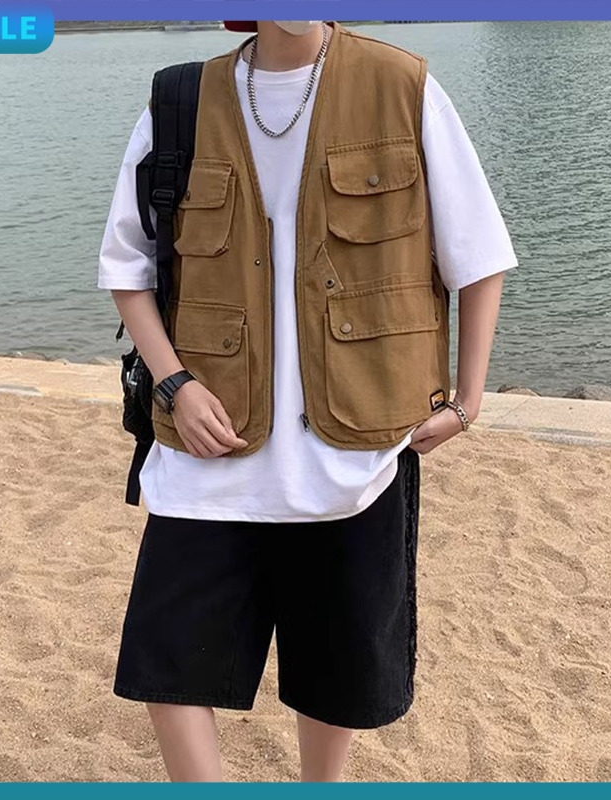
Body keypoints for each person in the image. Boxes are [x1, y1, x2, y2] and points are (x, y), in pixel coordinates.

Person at [97, 20, 517, 782]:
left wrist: (469, 398)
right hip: (208, 455)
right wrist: (174, 384)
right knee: (167, 659)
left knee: (336, 674)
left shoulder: (404, 88)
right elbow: (128, 266)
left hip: (351, 459)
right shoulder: (180, 102)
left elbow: (479, 251)